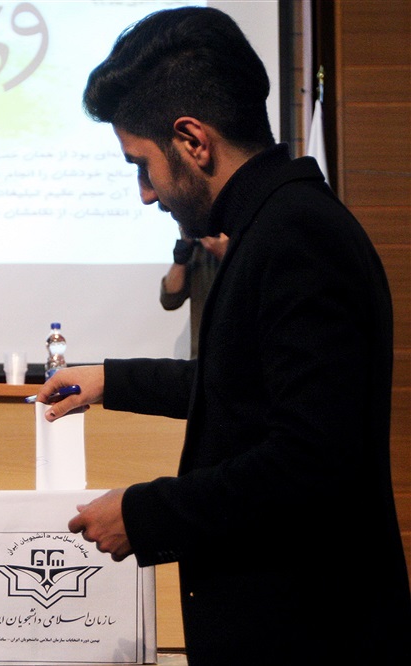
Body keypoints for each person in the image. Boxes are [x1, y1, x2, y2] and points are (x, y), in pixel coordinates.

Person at [35, 7, 410, 664]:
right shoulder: (277, 223)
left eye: (142, 164)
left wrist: (143, 514)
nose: (145, 194)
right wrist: (111, 381)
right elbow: (244, 384)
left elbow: (311, 463)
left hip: (311, 639)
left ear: (193, 141)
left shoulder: (296, 235)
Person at [159, 228, 228, 358]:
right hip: (203, 358)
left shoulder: (249, 239)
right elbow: (169, 300)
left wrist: (225, 254)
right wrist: (183, 249)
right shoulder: (199, 248)